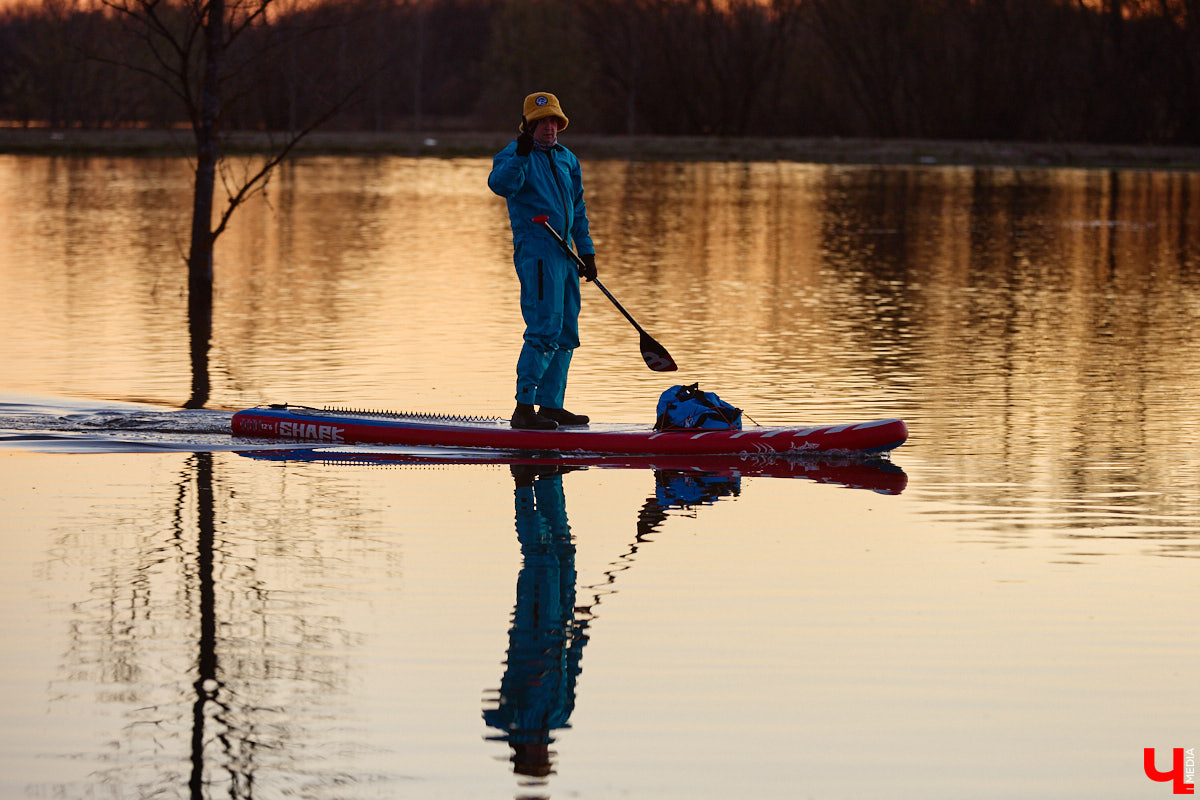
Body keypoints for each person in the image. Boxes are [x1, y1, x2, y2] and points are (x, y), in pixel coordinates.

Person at [489, 92, 598, 430]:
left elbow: (577, 210)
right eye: (541, 123)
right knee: (544, 328)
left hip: (565, 254)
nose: (549, 128)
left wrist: (587, 251)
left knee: (566, 331)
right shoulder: (513, 155)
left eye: (553, 121)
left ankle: (551, 406)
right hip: (537, 252)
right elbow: (501, 185)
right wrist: (521, 155)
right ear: (528, 126)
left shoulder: (568, 159)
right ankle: (524, 409)